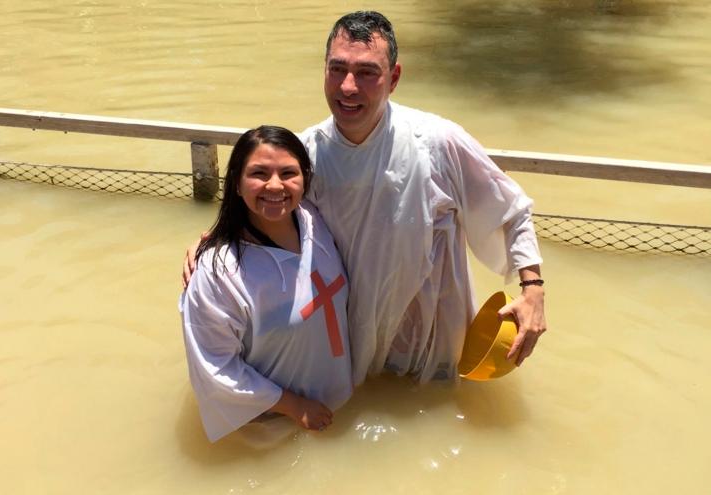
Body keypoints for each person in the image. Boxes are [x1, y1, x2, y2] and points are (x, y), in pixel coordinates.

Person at [183, 11, 547, 386]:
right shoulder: (306, 153)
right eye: (337, 69)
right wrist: (217, 236)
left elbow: (511, 211)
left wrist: (532, 289)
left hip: (431, 334)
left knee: (432, 414)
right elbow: (269, 207)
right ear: (323, 70)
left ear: (394, 78)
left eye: (368, 72)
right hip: (349, 333)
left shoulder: (438, 142)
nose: (348, 87)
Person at [180, 125, 353, 443]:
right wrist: (295, 406)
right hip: (276, 426)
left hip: (344, 402)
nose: (275, 185)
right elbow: (215, 367)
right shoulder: (219, 274)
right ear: (235, 183)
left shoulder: (316, 219)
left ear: (306, 180)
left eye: (288, 173)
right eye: (259, 173)